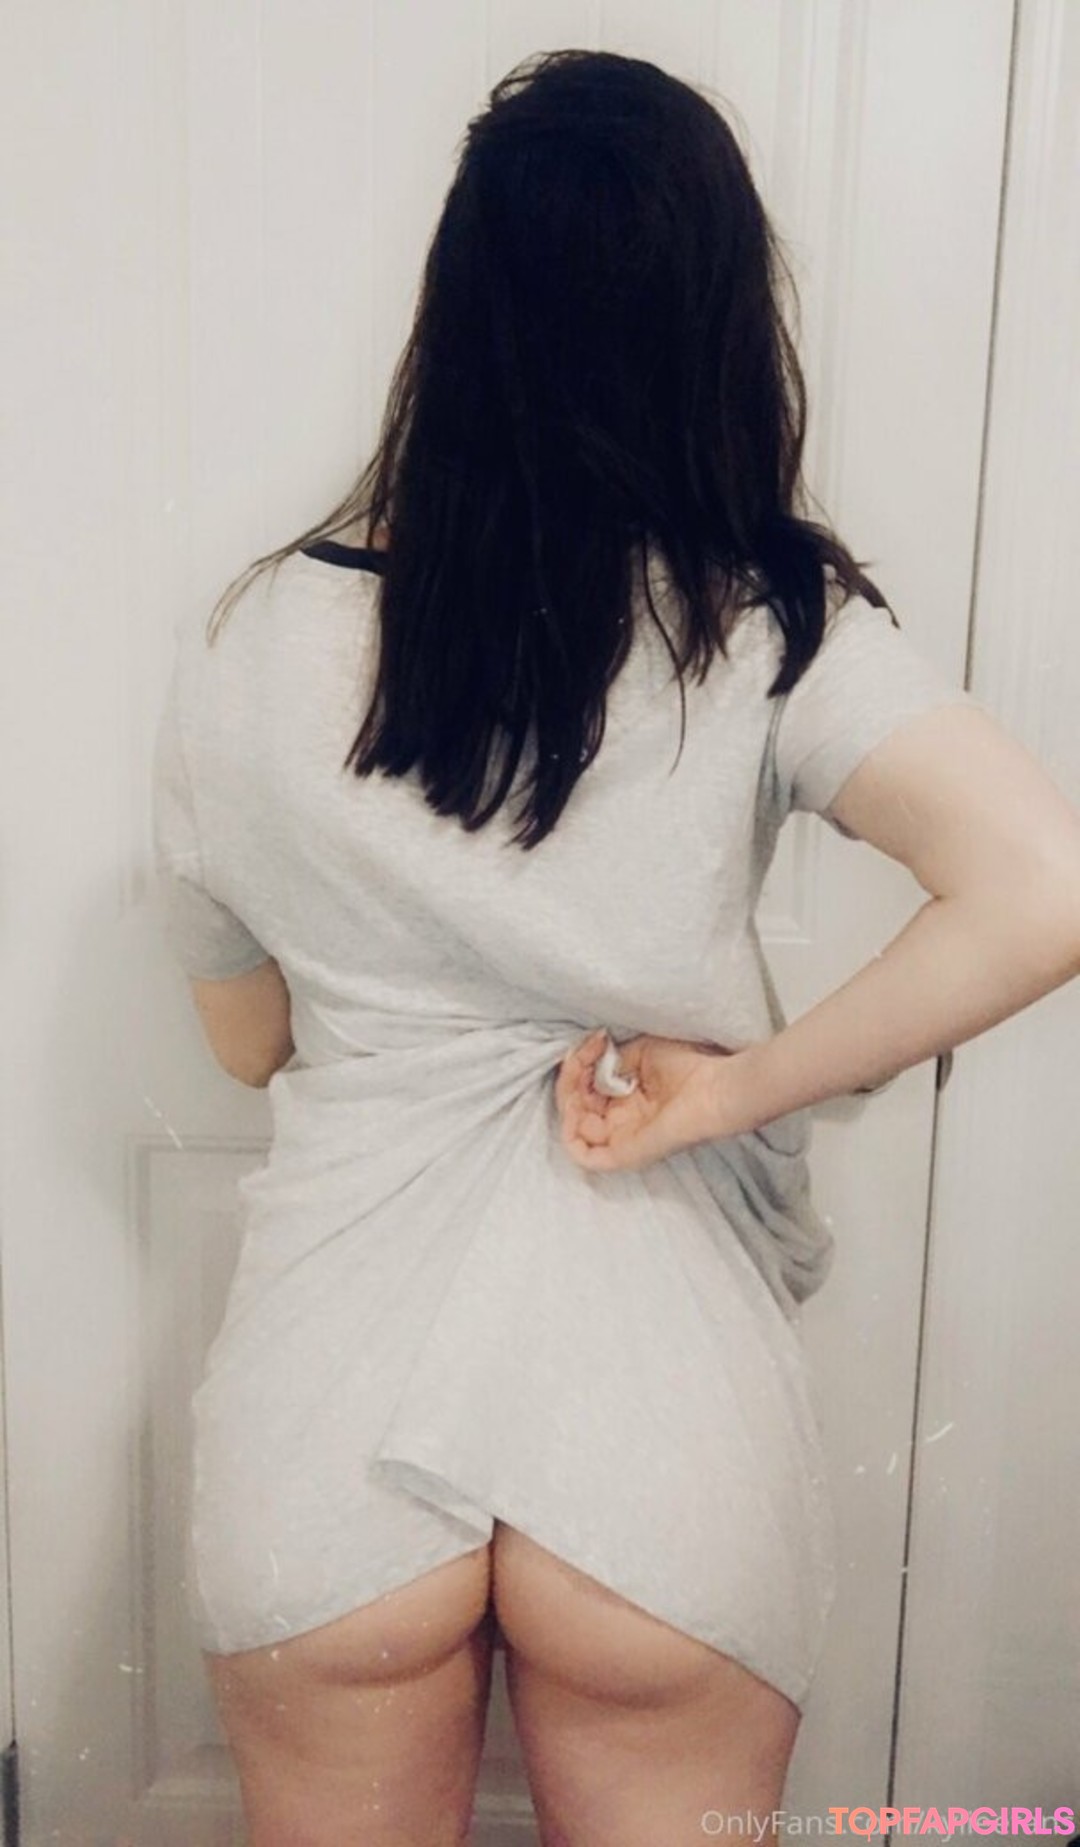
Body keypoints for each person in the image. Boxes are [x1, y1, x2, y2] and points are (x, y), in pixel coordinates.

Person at [151, 47, 1080, 1847]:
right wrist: (730, 1089)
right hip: (657, 1409)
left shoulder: (251, 641)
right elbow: (1042, 888)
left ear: (457, 307)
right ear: (719, 315)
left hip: (325, 1403)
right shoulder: (767, 621)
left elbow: (245, 1044)